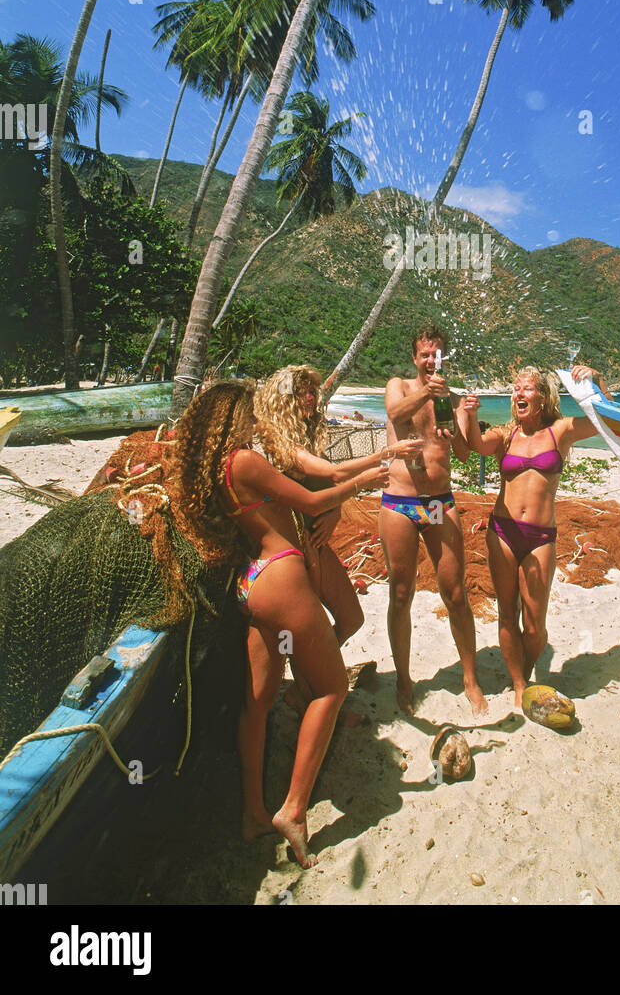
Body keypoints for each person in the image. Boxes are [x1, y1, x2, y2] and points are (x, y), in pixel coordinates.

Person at [173, 380, 388, 865]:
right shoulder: (246, 461)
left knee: (258, 703)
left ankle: (252, 813)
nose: (256, 420)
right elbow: (310, 504)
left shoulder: (221, 469)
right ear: (233, 418)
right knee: (331, 689)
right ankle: (292, 809)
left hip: (254, 584)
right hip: (283, 577)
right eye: (249, 413)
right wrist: (366, 482)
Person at [461, 362, 612, 708]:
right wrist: (470, 415)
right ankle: (518, 685)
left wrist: (597, 382)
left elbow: (606, 421)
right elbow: (474, 445)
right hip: (502, 531)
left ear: (542, 398)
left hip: (541, 536)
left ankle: (526, 670)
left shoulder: (560, 431)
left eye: (526, 388)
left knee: (534, 627)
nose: (518, 393)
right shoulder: (505, 435)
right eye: (516, 389)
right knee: (506, 614)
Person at [253, 365, 422, 654]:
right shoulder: (278, 443)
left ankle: (314, 677)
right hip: (293, 546)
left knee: (351, 619)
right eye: (303, 393)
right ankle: (310, 685)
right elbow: (333, 474)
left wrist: (335, 510)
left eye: (312, 392)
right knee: (304, 632)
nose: (311, 398)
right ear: (286, 400)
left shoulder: (301, 437)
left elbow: (323, 484)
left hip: (313, 541)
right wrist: (385, 455)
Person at [380, 323, 487, 716]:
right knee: (401, 593)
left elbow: (460, 453)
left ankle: (470, 678)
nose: (430, 360)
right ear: (415, 358)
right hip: (400, 503)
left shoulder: (452, 400)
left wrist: (468, 417)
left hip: (440, 503)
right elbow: (394, 413)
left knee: (455, 592)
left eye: (436, 354)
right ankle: (404, 680)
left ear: (444, 357)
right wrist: (429, 390)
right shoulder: (400, 387)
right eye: (425, 354)